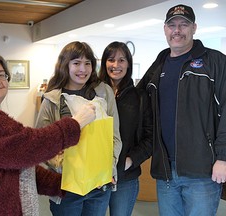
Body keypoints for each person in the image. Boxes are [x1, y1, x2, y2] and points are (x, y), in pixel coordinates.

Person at [0, 50, 96, 216]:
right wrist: (75, 123)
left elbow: (18, 163)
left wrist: (61, 184)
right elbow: (29, 146)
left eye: (1, 75)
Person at [137, 4, 226, 216]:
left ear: (194, 28)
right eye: (172, 25)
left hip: (202, 171)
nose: (177, 30)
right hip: (165, 171)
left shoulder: (215, 61)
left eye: (183, 25)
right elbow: (137, 101)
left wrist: (223, 157)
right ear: (165, 29)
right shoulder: (160, 63)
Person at [35, 41, 122, 216]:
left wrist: (108, 169)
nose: (82, 69)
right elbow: (41, 142)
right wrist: (64, 168)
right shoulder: (52, 100)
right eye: (76, 63)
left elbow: (114, 136)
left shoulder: (103, 92)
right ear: (65, 65)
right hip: (67, 187)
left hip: (99, 186)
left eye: (87, 63)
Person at [98, 41, 152, 216]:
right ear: (104, 62)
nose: (116, 65)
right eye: (111, 59)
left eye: (121, 60)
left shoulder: (140, 97)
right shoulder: (93, 93)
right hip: (94, 174)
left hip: (125, 177)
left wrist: (130, 160)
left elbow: (149, 138)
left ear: (128, 63)